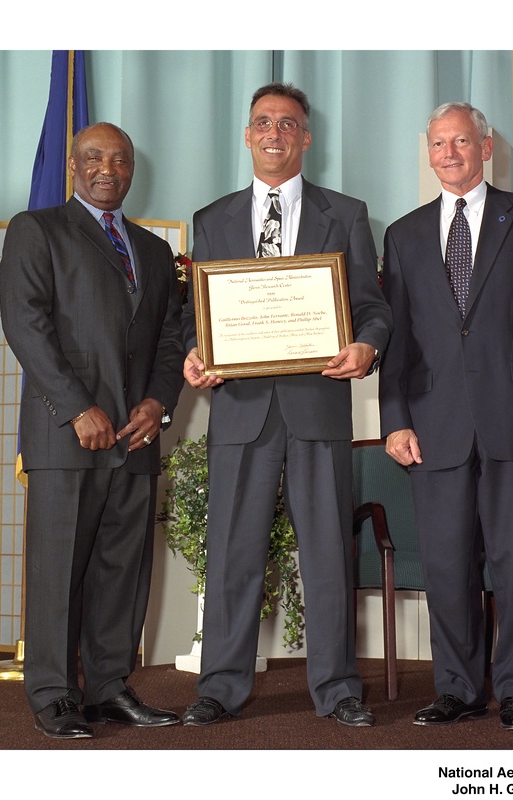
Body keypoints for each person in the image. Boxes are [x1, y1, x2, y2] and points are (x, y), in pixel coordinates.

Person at [180, 83, 392, 727]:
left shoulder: (347, 214)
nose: (274, 132)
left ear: (305, 137)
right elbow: (201, 315)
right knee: (232, 552)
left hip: (317, 406)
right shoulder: (211, 219)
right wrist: (195, 351)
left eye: (288, 123)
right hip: (240, 409)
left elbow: (374, 307)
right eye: (263, 122)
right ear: (248, 135)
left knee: (327, 551)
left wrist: (366, 346)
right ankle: (219, 686)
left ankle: (338, 689)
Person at [378, 102, 513, 731]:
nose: (450, 153)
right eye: (439, 144)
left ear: (487, 147)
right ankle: (457, 688)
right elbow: (397, 338)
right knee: (447, 563)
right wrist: (394, 419)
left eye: (461, 141)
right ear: (428, 152)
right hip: (432, 426)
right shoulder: (403, 235)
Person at [0, 122, 185, 739]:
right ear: (74, 167)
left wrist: (158, 403)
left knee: (123, 571)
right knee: (57, 570)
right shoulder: (37, 230)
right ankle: (53, 693)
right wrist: (79, 408)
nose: (108, 168)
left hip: (135, 439)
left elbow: (167, 340)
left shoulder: (156, 253)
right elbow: (26, 324)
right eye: (94, 158)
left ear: (134, 169)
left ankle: (108, 688)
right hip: (65, 435)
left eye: (120, 159)